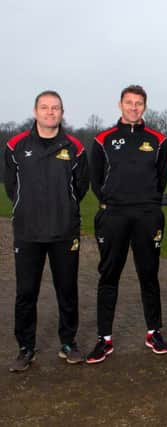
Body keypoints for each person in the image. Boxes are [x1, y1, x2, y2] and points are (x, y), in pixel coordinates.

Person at [4, 90, 89, 372]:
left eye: (55, 108)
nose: (50, 112)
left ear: (62, 113)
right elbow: (11, 187)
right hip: (28, 232)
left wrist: (64, 209)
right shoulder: (15, 145)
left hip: (64, 231)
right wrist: (26, 209)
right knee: (26, 293)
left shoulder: (75, 146)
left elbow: (81, 187)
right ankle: (26, 347)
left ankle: (68, 343)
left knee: (67, 291)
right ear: (35, 111)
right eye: (45, 107)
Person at [87, 85, 167, 364]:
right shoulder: (103, 139)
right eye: (129, 102)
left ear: (145, 107)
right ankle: (104, 339)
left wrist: (146, 202)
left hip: (147, 216)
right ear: (120, 105)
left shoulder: (158, 140)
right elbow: (95, 179)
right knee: (109, 275)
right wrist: (113, 202)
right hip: (114, 216)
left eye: (139, 103)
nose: (134, 107)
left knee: (149, 274)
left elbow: (161, 179)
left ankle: (153, 332)